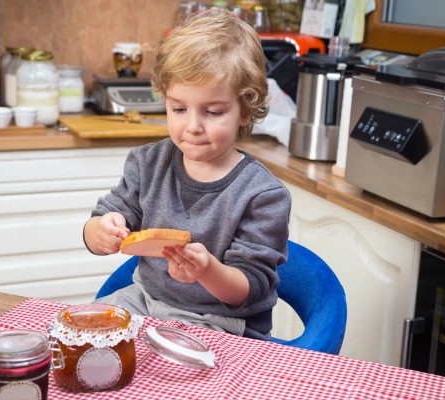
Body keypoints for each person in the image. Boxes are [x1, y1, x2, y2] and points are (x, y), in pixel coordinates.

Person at [83, 8, 291, 340]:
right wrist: (98, 232)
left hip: (222, 322)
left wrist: (207, 271)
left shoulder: (263, 195)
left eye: (213, 112)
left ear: (245, 111)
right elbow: (109, 215)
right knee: (80, 333)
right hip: (145, 301)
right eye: (179, 109)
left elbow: (250, 288)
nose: (193, 127)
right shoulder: (148, 163)